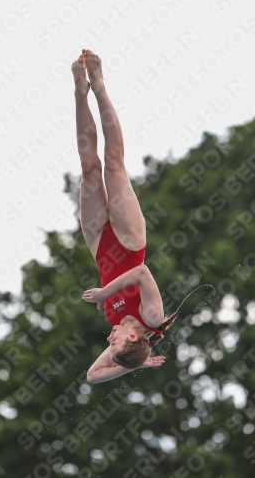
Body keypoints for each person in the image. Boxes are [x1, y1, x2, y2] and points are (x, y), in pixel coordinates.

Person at [71, 49, 178, 384]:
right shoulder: (151, 317)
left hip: (100, 247)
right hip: (130, 242)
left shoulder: (122, 337)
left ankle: (79, 93)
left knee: (90, 171)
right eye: (114, 343)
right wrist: (104, 295)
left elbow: (92, 376)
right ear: (133, 338)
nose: (108, 339)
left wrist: (133, 365)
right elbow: (142, 273)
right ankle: (100, 87)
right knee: (113, 163)